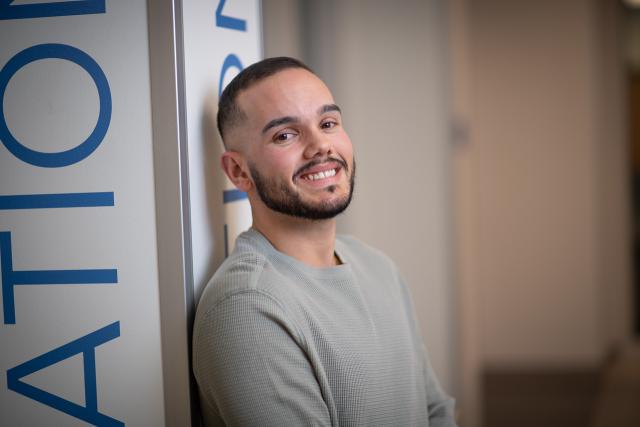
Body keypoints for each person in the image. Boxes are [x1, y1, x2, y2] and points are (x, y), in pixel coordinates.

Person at [192, 56, 457, 427]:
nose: (320, 146)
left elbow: (435, 412)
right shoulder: (247, 308)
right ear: (238, 171)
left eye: (328, 123)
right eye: (285, 134)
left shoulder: (377, 267)